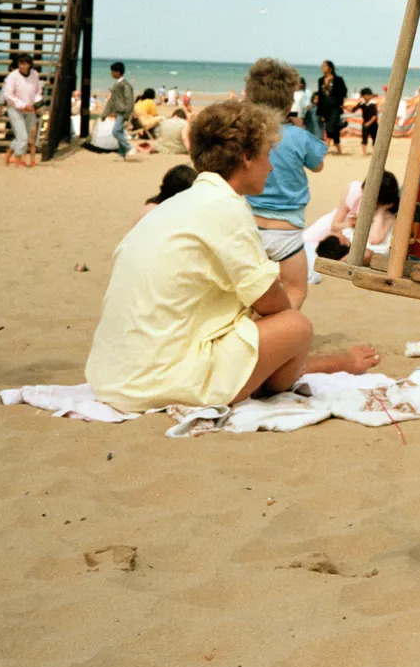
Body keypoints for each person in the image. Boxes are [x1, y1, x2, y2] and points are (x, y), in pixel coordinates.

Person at [84, 100, 378, 414]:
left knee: (257, 317)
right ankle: (323, 366)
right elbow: (274, 307)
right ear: (247, 157)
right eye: (268, 156)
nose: (271, 166)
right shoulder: (225, 207)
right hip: (157, 379)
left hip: (113, 374)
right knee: (295, 325)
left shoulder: (178, 204)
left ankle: (297, 367)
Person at [243, 58, 326, 306]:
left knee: (249, 292)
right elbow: (318, 165)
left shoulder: (247, 134)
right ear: (290, 101)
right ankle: (281, 335)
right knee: (294, 289)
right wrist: (301, 128)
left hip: (248, 223)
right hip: (286, 229)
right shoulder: (298, 136)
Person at [1, 52, 42, 167]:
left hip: (30, 109)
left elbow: (38, 92)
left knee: (23, 136)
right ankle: (18, 162)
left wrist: (36, 104)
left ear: (30, 64)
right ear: (18, 64)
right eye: (21, 64)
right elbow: (8, 95)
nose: (23, 66)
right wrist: (23, 105)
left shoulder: (34, 74)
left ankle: (8, 154)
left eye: (25, 64)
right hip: (15, 109)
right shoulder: (12, 76)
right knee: (23, 138)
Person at [313, 60, 348, 154]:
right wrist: (319, 111)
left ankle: (325, 149)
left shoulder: (338, 79)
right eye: (322, 66)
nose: (322, 67)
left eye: (324, 66)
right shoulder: (320, 80)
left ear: (330, 68)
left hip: (335, 107)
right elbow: (320, 95)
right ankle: (339, 150)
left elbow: (344, 91)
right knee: (334, 129)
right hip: (324, 108)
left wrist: (340, 102)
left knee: (329, 128)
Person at [103, 62, 135, 160]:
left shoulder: (125, 85)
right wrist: (105, 113)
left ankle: (129, 147)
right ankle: (122, 155)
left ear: (118, 72)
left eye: (112, 71)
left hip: (122, 112)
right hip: (118, 112)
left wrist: (127, 114)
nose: (111, 74)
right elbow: (112, 101)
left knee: (116, 132)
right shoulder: (117, 84)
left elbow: (129, 100)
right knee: (119, 132)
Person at [357, 87, 379, 155]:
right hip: (365, 123)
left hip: (373, 124)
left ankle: (375, 153)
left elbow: (374, 116)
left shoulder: (372, 104)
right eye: (366, 95)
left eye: (369, 95)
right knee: (364, 138)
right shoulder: (362, 104)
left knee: (375, 139)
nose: (368, 97)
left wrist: (369, 123)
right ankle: (364, 153)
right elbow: (353, 109)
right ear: (363, 96)